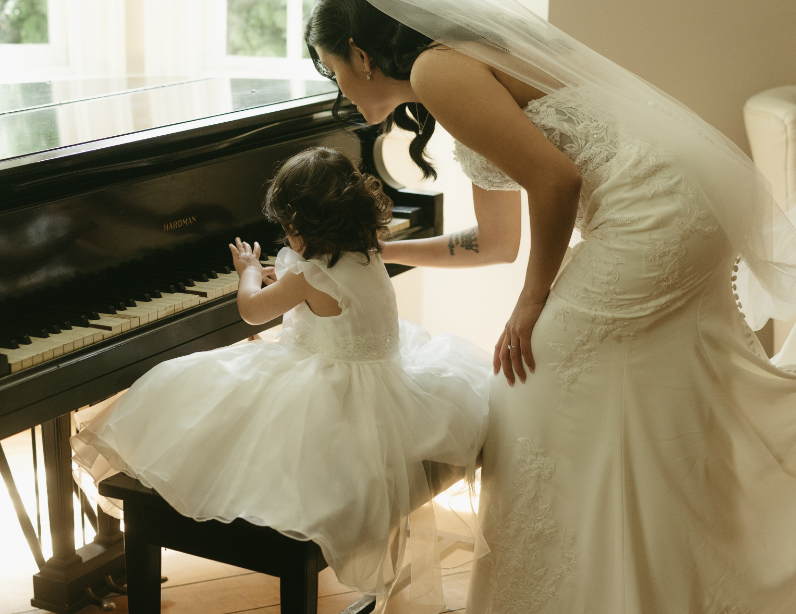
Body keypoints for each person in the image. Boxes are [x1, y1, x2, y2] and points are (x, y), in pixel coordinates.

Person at [304, 0, 796, 612]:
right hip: (682, 205)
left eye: (334, 73)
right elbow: (494, 243)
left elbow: (555, 181)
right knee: (652, 398)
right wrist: (376, 250)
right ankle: (651, 584)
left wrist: (530, 304)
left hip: (655, 213)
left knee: (527, 383)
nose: (341, 94)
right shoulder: (449, 76)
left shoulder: (438, 68)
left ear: (359, 52)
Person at [71, 146, 490, 611]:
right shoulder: (365, 255)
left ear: (299, 226)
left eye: (288, 228)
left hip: (332, 401)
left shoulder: (308, 273)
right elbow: (322, 303)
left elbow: (252, 311)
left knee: (195, 395)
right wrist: (287, 281)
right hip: (389, 388)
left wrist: (249, 273)